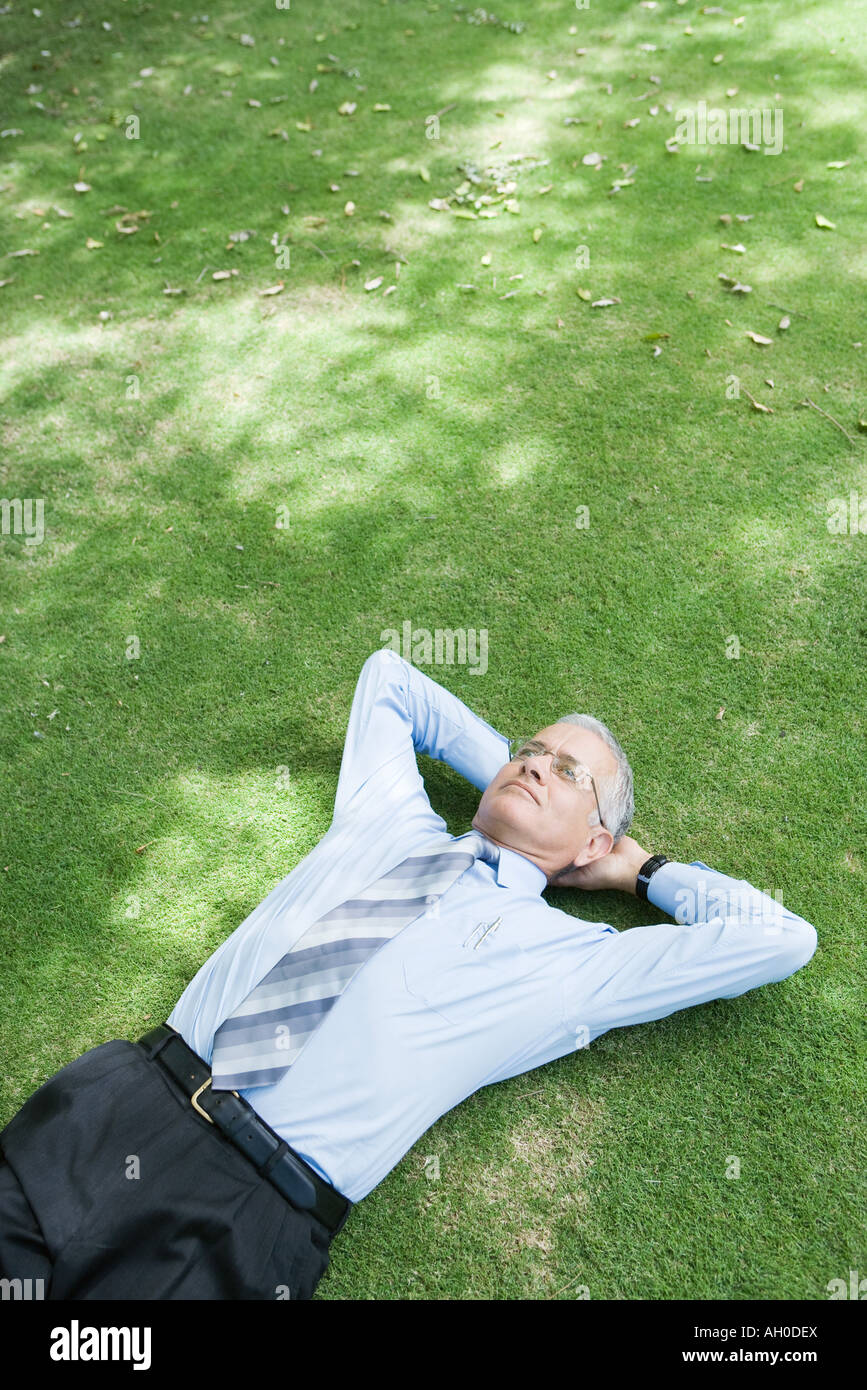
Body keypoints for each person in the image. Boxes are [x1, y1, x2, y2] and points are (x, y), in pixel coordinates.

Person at [0, 648, 817, 1300]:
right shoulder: (388, 821)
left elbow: (777, 938)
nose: (535, 764)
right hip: (122, 1107)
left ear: (595, 843)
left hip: (245, 1215)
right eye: (530, 750)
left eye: (570, 773)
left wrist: (640, 873)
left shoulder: (572, 965)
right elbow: (391, 679)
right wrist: (530, 781)